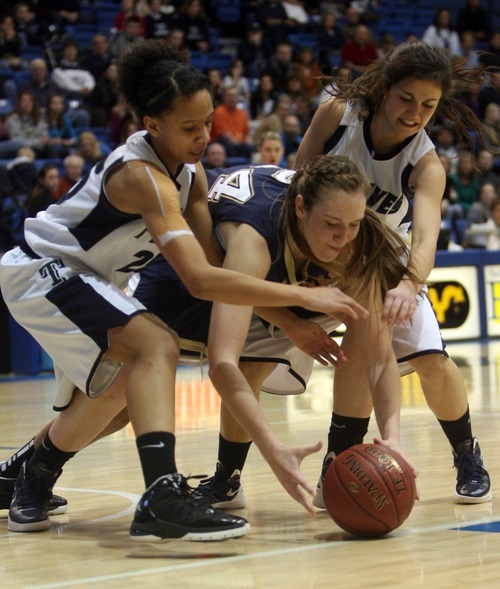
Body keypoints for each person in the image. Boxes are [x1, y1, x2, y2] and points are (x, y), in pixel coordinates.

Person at [0, 41, 366, 538]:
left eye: (208, 123)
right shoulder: (142, 176)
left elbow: (218, 276)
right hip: (43, 267)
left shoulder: (190, 172)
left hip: (92, 279)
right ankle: (162, 496)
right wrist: (304, 297)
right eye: (189, 128)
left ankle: (24, 475)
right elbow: (195, 278)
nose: (203, 137)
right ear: (153, 125)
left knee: (122, 389)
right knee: (155, 345)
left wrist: (290, 323)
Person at [1, 155, 417, 520]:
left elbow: (379, 358)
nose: (344, 238)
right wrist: (273, 448)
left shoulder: (361, 244)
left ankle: (226, 480)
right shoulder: (254, 237)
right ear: (302, 208)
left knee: (258, 362)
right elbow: (221, 361)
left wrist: (393, 438)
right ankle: (27, 471)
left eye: (354, 224)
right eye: (332, 225)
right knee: (120, 394)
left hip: (263, 282)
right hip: (184, 277)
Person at [295, 41, 493, 506]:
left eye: (428, 105)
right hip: (322, 254)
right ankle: (328, 457)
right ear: (385, 87)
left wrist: (410, 283)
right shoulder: (337, 114)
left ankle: (466, 452)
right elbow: (298, 176)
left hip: (386, 265)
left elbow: (426, 237)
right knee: (344, 356)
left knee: (431, 360)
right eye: (407, 98)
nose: (415, 112)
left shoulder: (425, 165)